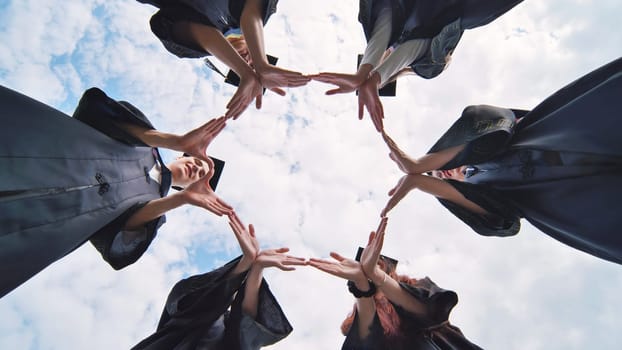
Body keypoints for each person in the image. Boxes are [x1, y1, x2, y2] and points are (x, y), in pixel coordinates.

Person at [380, 57, 622, 265]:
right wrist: (418, 182)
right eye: (435, 178)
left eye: (438, 170)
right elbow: (501, 222)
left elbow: (487, 120)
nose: (440, 173)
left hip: (583, 131)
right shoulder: (491, 194)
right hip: (583, 199)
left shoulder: (492, 137)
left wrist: (422, 164)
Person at [0, 86, 232, 298]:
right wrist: (176, 141)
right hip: (34, 153)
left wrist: (181, 199)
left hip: (41, 220)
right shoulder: (143, 144)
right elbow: (96, 111)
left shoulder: (154, 209)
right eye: (199, 163)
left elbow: (121, 236)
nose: (197, 169)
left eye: (202, 175)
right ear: (184, 156)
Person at [311, 0, 524, 131]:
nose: (384, 57)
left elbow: (384, 21)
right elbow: (410, 50)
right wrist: (375, 78)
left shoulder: (384, 28)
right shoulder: (425, 65)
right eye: (384, 65)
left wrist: (365, 73)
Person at [132, 213, 306, 349]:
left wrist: (256, 269)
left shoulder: (226, 331)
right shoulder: (182, 317)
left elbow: (243, 327)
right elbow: (194, 302)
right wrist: (244, 264)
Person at [309, 218, 482, 349]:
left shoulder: (420, 287)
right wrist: (361, 284)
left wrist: (375, 274)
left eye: (379, 263)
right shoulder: (360, 316)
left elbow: (426, 312)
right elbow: (366, 339)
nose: (374, 266)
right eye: (368, 266)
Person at [137, 0, 310, 119]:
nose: (249, 63)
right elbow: (250, 16)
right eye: (251, 63)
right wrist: (261, 63)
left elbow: (194, 30)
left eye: (247, 66)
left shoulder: (195, 46)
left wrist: (245, 73)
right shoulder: (253, 18)